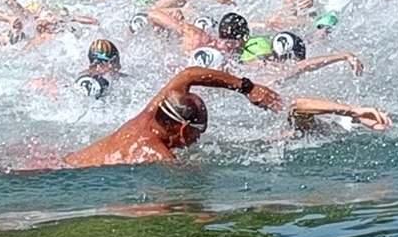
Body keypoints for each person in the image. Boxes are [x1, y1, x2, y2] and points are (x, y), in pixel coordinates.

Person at [64, 66, 284, 167]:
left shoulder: (149, 116)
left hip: (65, 160)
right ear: (182, 130)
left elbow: (188, 75)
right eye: (199, 132)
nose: (199, 139)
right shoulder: (156, 155)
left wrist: (246, 87)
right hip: (64, 175)